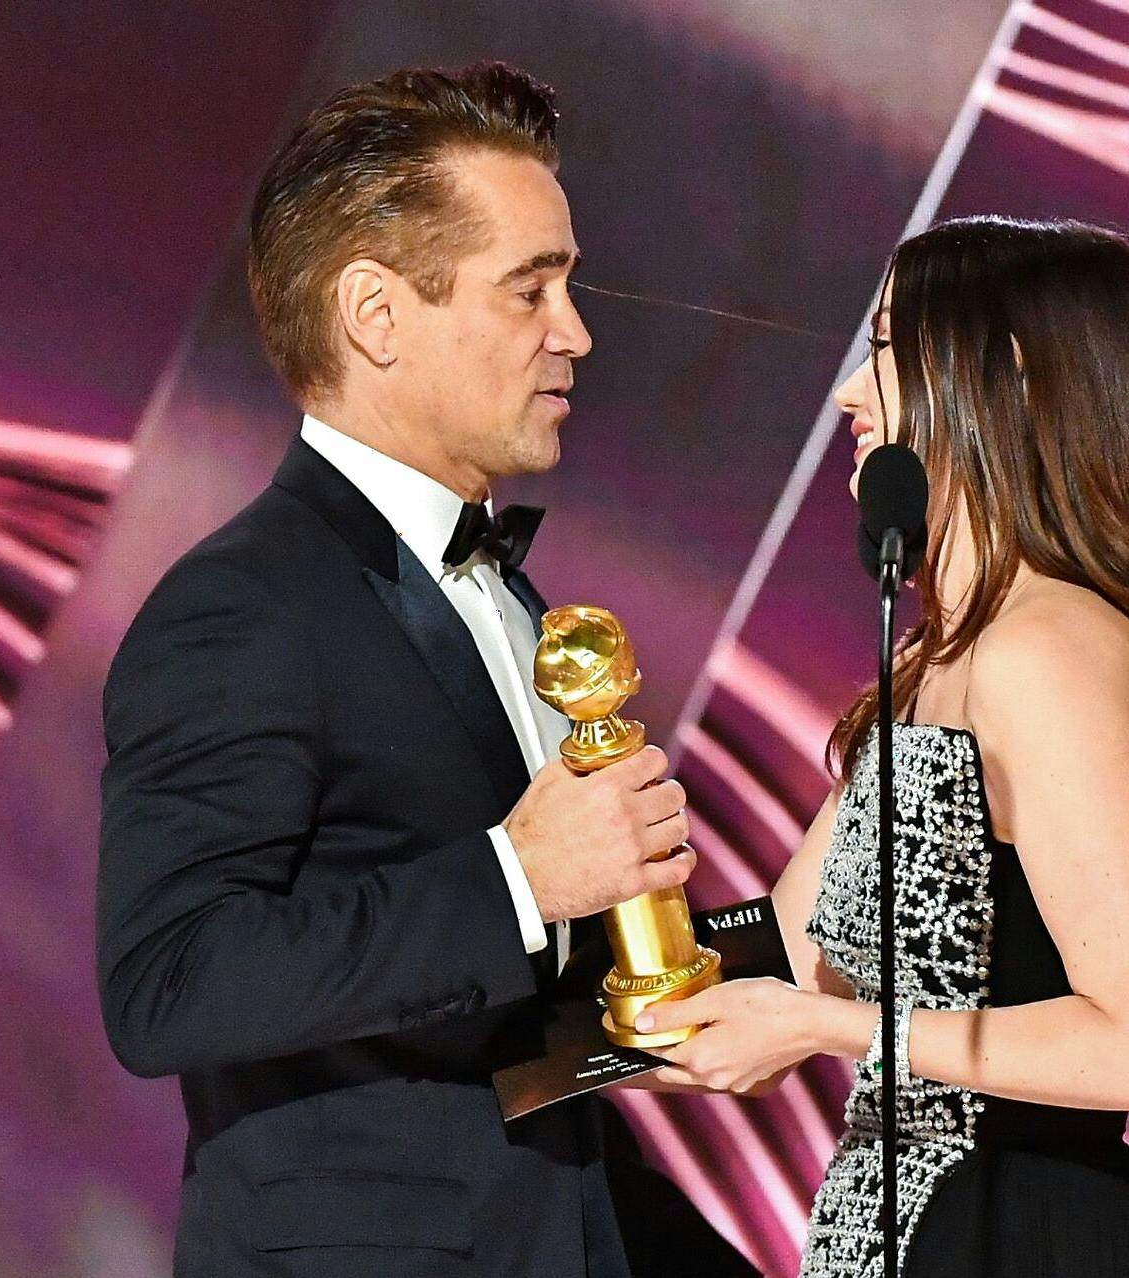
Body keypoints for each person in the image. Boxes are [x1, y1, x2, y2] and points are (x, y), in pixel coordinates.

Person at [95, 62, 704, 1278]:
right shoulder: (242, 605)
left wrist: (771, 945)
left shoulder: (502, 593)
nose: (575, 332)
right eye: (532, 289)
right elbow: (168, 981)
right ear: (376, 316)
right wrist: (519, 876)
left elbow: (508, 1047)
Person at [629, 216, 1129, 1276]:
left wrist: (842, 1033)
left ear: (1007, 380)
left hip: (1019, 1234)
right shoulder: (934, 661)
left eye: (888, 351)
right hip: (890, 1234)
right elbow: (784, 953)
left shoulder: (1046, 647)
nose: (851, 395)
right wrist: (508, 1009)